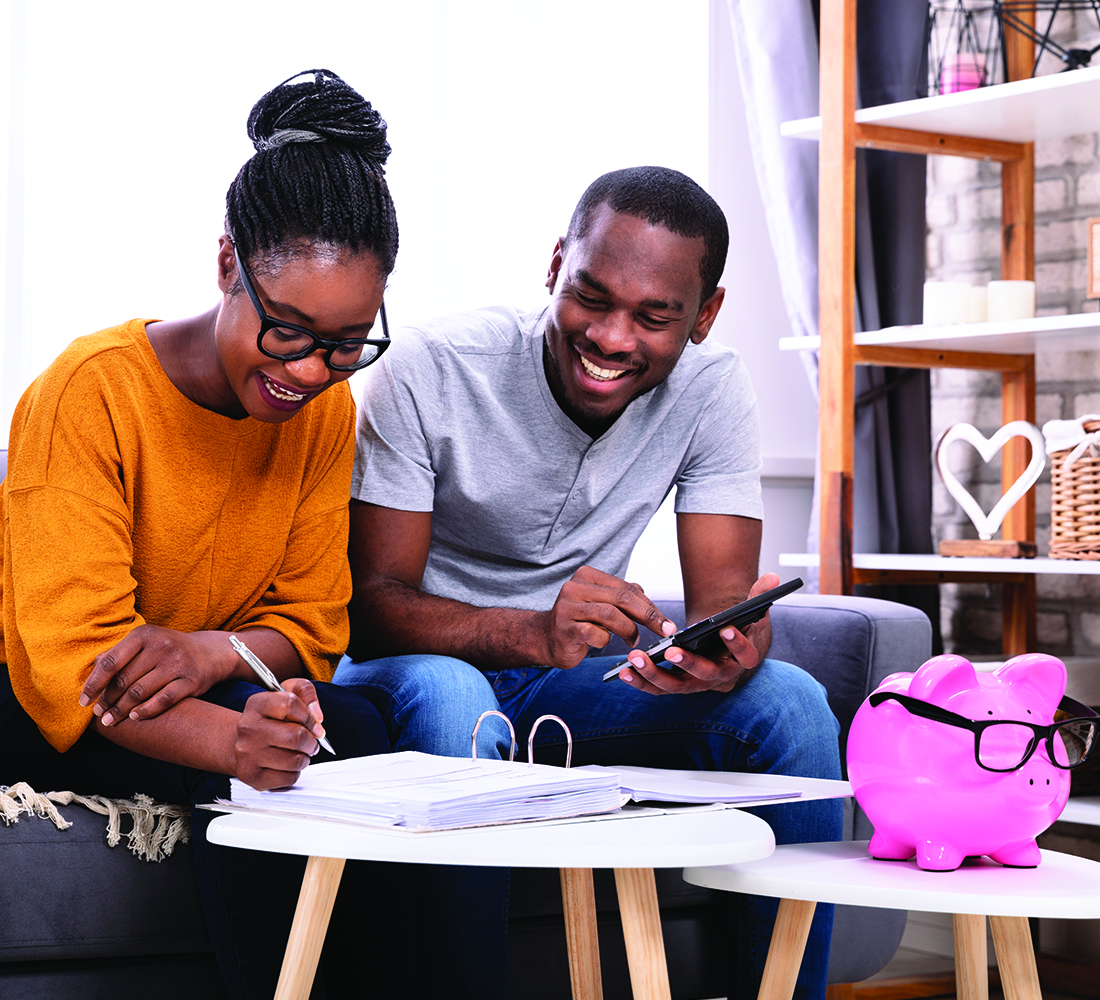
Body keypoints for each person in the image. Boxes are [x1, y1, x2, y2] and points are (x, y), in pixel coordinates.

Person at [336, 166, 844, 1000]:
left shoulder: (713, 391)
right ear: (554, 267)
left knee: (789, 704)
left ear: (705, 316)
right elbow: (372, 610)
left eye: (654, 317)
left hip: (567, 686)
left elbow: (721, 612)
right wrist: (529, 629)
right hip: (417, 669)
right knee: (457, 699)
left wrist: (734, 649)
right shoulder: (434, 365)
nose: (611, 338)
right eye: (591, 297)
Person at [0, 69, 403, 1000]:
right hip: (50, 700)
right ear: (229, 265)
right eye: (290, 331)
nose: (312, 370)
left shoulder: (322, 411)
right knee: (269, 771)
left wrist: (207, 652)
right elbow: (71, 671)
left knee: (363, 725)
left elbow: (312, 629)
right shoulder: (90, 393)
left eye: (347, 343)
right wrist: (233, 743)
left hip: (196, 679)